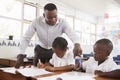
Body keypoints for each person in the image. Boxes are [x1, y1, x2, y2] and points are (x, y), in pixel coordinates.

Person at [15, 3, 82, 68]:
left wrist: (77, 45)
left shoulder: (63, 22)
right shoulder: (36, 22)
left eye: (55, 16)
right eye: (49, 17)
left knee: (51, 71)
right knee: (37, 69)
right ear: (44, 15)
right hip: (40, 50)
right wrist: (21, 54)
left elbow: (72, 34)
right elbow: (26, 38)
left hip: (54, 51)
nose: (53, 20)